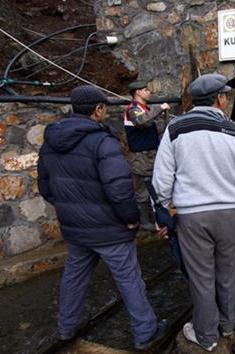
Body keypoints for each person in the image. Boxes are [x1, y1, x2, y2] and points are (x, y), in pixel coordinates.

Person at [37, 85, 161, 350]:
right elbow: (119, 187)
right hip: (110, 230)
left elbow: (46, 188)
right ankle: (145, 332)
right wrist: (130, 218)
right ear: (98, 109)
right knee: (129, 279)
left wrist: (72, 211)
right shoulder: (103, 142)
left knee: (74, 276)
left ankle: (67, 327)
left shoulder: (50, 142)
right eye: (104, 107)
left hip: (77, 231)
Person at [152, 73, 235, 351]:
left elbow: (162, 178)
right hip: (227, 215)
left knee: (201, 277)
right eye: (224, 96)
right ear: (218, 99)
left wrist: (161, 212)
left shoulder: (175, 129)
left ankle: (206, 335)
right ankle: (226, 325)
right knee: (227, 273)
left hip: (192, 217)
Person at [124, 80, 170, 230]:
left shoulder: (145, 109)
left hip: (149, 154)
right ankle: (145, 222)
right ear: (137, 92)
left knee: (153, 187)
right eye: (145, 90)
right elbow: (142, 122)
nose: (149, 92)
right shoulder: (134, 109)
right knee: (143, 189)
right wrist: (159, 109)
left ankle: (154, 218)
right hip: (140, 156)